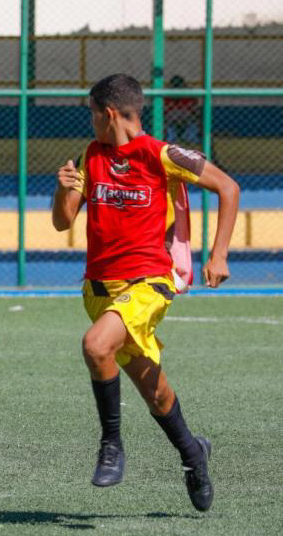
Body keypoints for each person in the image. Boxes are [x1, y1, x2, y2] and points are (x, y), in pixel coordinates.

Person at [52, 73, 240, 512]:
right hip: (99, 290)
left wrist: (220, 256)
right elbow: (63, 222)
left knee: (96, 345)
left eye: (93, 115)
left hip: (148, 282)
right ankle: (195, 455)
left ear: (110, 113)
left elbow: (228, 188)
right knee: (153, 390)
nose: (92, 123)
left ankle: (111, 447)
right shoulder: (87, 156)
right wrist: (64, 190)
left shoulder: (162, 154)